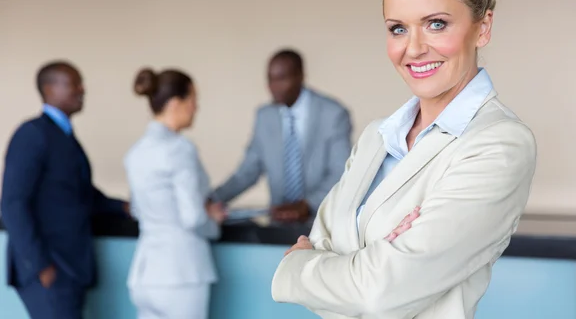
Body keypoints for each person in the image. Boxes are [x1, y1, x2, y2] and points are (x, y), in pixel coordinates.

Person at [271, 0, 537, 318]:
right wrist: (369, 263)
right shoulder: (377, 137)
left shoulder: (498, 143)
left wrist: (297, 268)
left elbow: (377, 293)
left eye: (436, 24)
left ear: (483, 27)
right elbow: (344, 263)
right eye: (398, 29)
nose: (413, 48)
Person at [0, 61, 129, 319]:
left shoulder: (63, 137)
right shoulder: (33, 134)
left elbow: (78, 194)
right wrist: (39, 266)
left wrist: (123, 206)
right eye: (73, 83)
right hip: (49, 268)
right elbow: (13, 203)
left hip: (70, 268)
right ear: (49, 89)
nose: (82, 90)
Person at [124, 68, 226, 319]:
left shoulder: (135, 153)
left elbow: (137, 209)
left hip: (145, 274)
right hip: (181, 274)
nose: (196, 107)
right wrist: (214, 220)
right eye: (193, 99)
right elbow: (192, 218)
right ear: (175, 103)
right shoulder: (180, 149)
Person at [212, 49, 352, 222]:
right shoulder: (265, 116)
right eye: (270, 79)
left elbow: (341, 172)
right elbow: (247, 172)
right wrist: (212, 200)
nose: (273, 87)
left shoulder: (332, 114)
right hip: (279, 224)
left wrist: (307, 205)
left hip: (322, 222)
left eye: (281, 79)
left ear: (300, 76)